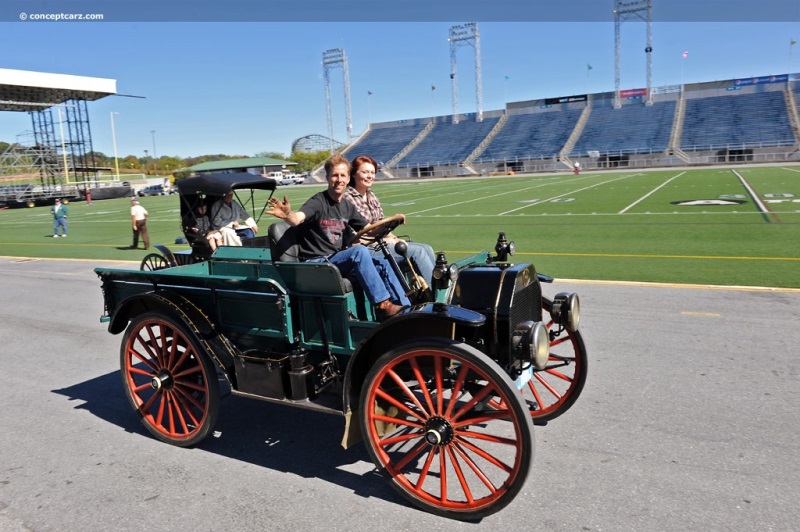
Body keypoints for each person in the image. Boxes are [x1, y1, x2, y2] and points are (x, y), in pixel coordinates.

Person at [265, 154, 408, 319]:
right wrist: (287, 214)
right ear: (327, 177)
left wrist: (391, 223)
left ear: (348, 178)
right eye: (335, 175)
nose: (339, 179)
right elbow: (297, 219)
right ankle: (383, 305)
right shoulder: (318, 202)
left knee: (382, 261)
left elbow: (369, 229)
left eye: (342, 175)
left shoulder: (347, 206)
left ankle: (405, 309)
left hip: (335, 260)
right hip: (316, 264)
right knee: (359, 252)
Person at [345, 155, 435, 288]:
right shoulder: (348, 199)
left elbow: (381, 225)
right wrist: (385, 240)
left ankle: (428, 292)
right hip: (365, 250)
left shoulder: (372, 196)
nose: (370, 176)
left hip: (381, 244)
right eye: (365, 172)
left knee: (427, 248)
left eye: (372, 172)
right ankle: (435, 300)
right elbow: (355, 238)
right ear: (353, 174)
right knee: (418, 253)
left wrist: (395, 238)